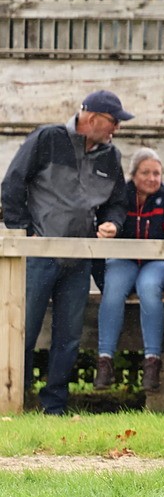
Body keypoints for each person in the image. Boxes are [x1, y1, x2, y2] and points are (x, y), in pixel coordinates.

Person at [1, 90, 130, 414]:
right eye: (113, 121)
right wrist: (23, 232)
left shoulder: (111, 156)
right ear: (92, 118)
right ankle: (15, 397)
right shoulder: (47, 139)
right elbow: (13, 184)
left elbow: (117, 202)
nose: (117, 128)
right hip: (37, 255)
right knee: (22, 330)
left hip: (80, 258)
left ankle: (54, 405)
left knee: (69, 337)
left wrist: (112, 223)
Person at [94, 148, 164, 392]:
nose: (152, 178)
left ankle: (152, 361)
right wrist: (101, 280)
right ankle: (104, 360)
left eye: (157, 173)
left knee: (148, 288)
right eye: (145, 173)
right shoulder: (121, 195)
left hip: (156, 261)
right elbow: (101, 232)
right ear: (133, 174)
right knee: (113, 290)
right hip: (125, 259)